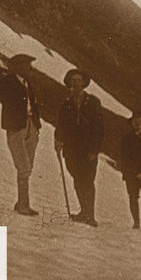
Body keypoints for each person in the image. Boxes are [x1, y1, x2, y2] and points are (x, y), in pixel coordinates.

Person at [0, 54, 41, 216]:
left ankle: (21, 202)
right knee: (24, 166)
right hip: (15, 127)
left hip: (31, 126)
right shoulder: (8, 82)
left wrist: (36, 126)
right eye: (27, 65)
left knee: (28, 165)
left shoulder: (27, 84)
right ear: (18, 66)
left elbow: (32, 105)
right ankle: (23, 205)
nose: (30, 68)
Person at [55, 67, 105, 226]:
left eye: (78, 81)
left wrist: (94, 150)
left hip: (88, 149)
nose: (76, 84)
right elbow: (60, 124)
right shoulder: (66, 103)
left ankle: (90, 215)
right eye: (73, 81)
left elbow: (99, 127)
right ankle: (84, 211)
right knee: (77, 178)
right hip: (71, 149)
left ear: (84, 83)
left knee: (88, 180)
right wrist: (58, 140)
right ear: (70, 84)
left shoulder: (93, 102)